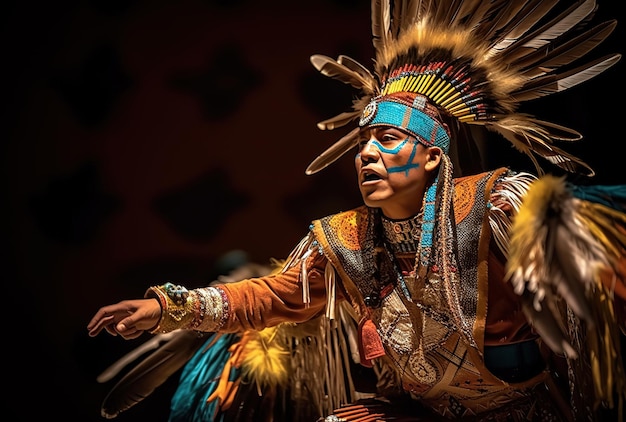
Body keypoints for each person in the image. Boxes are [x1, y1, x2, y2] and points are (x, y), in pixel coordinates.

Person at [88, 0, 626, 421]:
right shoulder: (344, 242)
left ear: (434, 155)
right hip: (419, 415)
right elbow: (271, 297)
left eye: (388, 139)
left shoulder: (496, 207)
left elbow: (598, 269)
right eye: (364, 142)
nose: (367, 153)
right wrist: (165, 310)